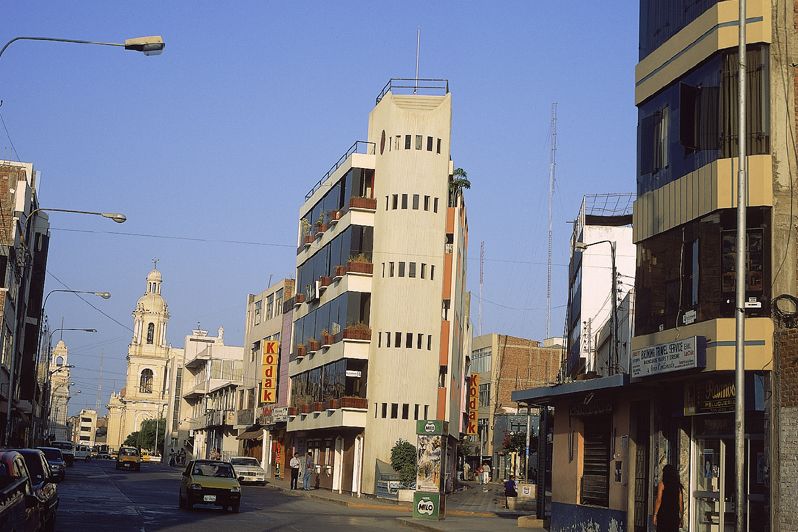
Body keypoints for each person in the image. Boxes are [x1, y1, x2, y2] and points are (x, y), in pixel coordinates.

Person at [653, 464, 683, 532]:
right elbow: (680, 503)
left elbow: (659, 500)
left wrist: (655, 514)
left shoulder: (662, 484)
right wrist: (681, 517)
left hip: (663, 514)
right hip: (674, 515)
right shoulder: (678, 486)